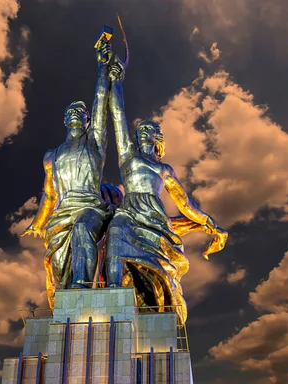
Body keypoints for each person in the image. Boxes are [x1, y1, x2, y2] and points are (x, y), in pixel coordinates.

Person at [104, 58, 227, 323]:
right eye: (141, 129)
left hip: (155, 218)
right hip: (130, 210)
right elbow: (118, 116)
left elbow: (185, 204)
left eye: (150, 129)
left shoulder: (164, 169)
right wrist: (116, 82)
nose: (143, 130)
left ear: (157, 137)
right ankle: (113, 295)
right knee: (115, 231)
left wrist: (210, 223)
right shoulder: (128, 156)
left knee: (158, 271)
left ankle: (154, 302)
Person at [22, 40, 114, 306]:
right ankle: (67, 303)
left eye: (81, 112)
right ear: (64, 119)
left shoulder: (94, 142)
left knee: (83, 230)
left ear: (87, 120)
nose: (76, 113)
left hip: (91, 209)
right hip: (60, 216)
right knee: (60, 266)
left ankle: (82, 288)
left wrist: (102, 66)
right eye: (71, 111)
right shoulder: (52, 155)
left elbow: (100, 102)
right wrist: (37, 223)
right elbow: (49, 194)